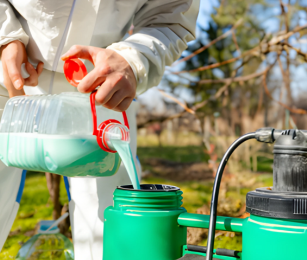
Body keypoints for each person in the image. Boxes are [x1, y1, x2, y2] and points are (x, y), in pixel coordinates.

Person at [0, 0, 199, 259]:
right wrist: (5, 37)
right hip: (8, 74)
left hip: (101, 87)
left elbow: (171, 17)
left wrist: (132, 60)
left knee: (111, 227)